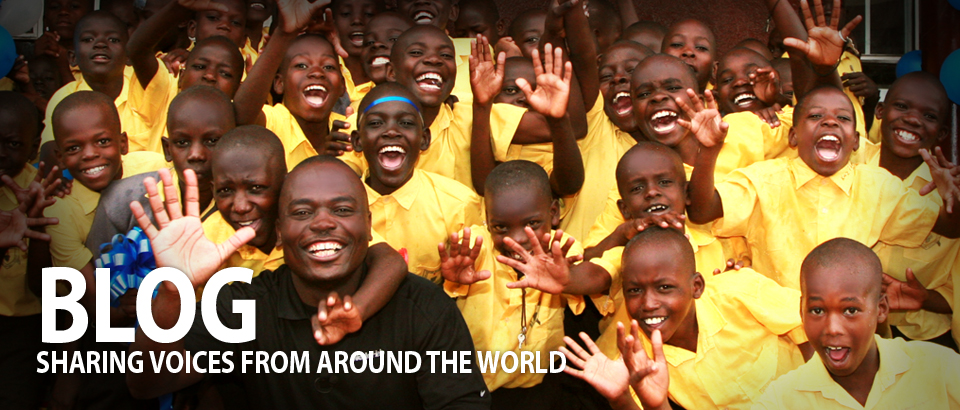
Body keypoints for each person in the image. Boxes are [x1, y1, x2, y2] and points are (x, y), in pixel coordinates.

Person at [126, 157, 490, 408]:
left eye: (342, 210)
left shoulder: (424, 310)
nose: (323, 223)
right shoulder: (245, 307)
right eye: (302, 212)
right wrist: (174, 288)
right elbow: (147, 383)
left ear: (368, 224)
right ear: (279, 232)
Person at [686, 83, 960, 290]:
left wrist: (953, 199)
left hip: (851, 331)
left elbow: (948, 226)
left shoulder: (878, 187)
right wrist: (708, 151)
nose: (830, 122)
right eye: (816, 116)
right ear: (794, 137)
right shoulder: (764, 180)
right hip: (778, 330)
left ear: (855, 141)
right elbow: (701, 211)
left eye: (843, 119)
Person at [563, 227, 812, 410]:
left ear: (696, 286)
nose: (648, 304)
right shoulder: (638, 359)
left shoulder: (739, 292)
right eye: (634, 290)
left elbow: (810, 331)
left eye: (664, 288)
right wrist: (621, 399)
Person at [439, 160, 605, 409]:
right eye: (500, 227)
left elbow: (582, 290)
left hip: (537, 385)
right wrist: (452, 279)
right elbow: (448, 297)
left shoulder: (562, 251)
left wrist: (566, 279)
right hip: (474, 383)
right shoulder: (475, 246)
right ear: (486, 219)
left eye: (531, 224)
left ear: (553, 213)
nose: (516, 239)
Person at [753, 238, 960, 409]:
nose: (833, 328)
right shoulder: (782, 400)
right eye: (817, 310)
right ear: (801, 311)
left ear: (881, 309)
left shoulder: (938, 370)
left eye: (850, 311)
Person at [350, 83, 483, 283]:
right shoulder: (338, 206)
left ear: (424, 139)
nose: (391, 132)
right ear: (357, 141)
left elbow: (468, 275)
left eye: (406, 123)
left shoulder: (458, 204)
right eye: (376, 123)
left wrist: (453, 283)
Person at [84, 85, 234, 259]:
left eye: (212, 141)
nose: (196, 154)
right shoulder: (121, 201)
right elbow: (99, 271)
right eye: (182, 142)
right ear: (167, 149)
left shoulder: (246, 207)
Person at [867, 72, 959, 347]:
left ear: (942, 133)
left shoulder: (949, 196)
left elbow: (953, 294)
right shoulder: (850, 163)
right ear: (880, 111)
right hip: (848, 324)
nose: (913, 119)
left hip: (921, 333)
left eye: (929, 116)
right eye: (902, 106)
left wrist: (923, 298)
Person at [233, 0, 351, 169]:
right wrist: (284, 34)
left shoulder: (347, 129)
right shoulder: (276, 121)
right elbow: (242, 115)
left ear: (342, 86)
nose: (317, 72)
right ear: (279, 83)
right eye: (301, 65)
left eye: (328, 67)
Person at [0, 91, 60, 410]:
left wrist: (36, 226)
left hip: (25, 325)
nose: (0, 153)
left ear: (34, 146)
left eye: (12, 144)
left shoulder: (40, 190)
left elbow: (41, 286)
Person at [661, 19, 717, 93]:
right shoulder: (650, 99)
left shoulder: (722, 99)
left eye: (701, 47)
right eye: (677, 45)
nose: (688, 52)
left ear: (714, 69)